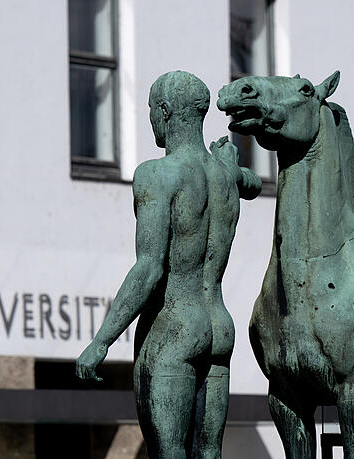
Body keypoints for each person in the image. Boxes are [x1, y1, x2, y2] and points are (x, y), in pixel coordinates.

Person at [76, 71, 261, 458]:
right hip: (218, 328)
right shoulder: (225, 175)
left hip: (175, 329)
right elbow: (254, 185)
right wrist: (230, 162)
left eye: (150, 112)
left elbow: (149, 269)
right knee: (210, 453)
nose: (151, 121)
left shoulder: (157, 175)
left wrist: (101, 341)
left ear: (163, 112)